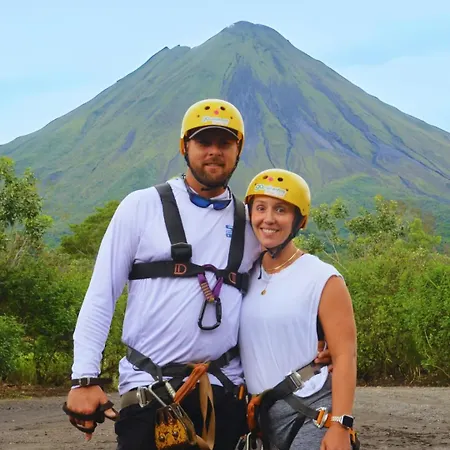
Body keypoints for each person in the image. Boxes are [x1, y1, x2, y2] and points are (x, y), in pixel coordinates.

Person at [63, 99, 331, 450]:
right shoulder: (141, 207)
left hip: (224, 396)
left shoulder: (252, 221)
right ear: (184, 147)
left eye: (225, 143)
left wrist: (320, 336)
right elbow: (101, 294)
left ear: (238, 150)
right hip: (149, 392)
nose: (214, 151)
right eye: (204, 141)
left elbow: (284, 281)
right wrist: (84, 378)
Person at [239, 168, 358, 450]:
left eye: (280, 210)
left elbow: (345, 355)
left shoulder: (323, 277)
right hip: (261, 415)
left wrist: (340, 425)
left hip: (311, 410)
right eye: (260, 208)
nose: (268, 219)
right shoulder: (244, 274)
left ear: (299, 220)